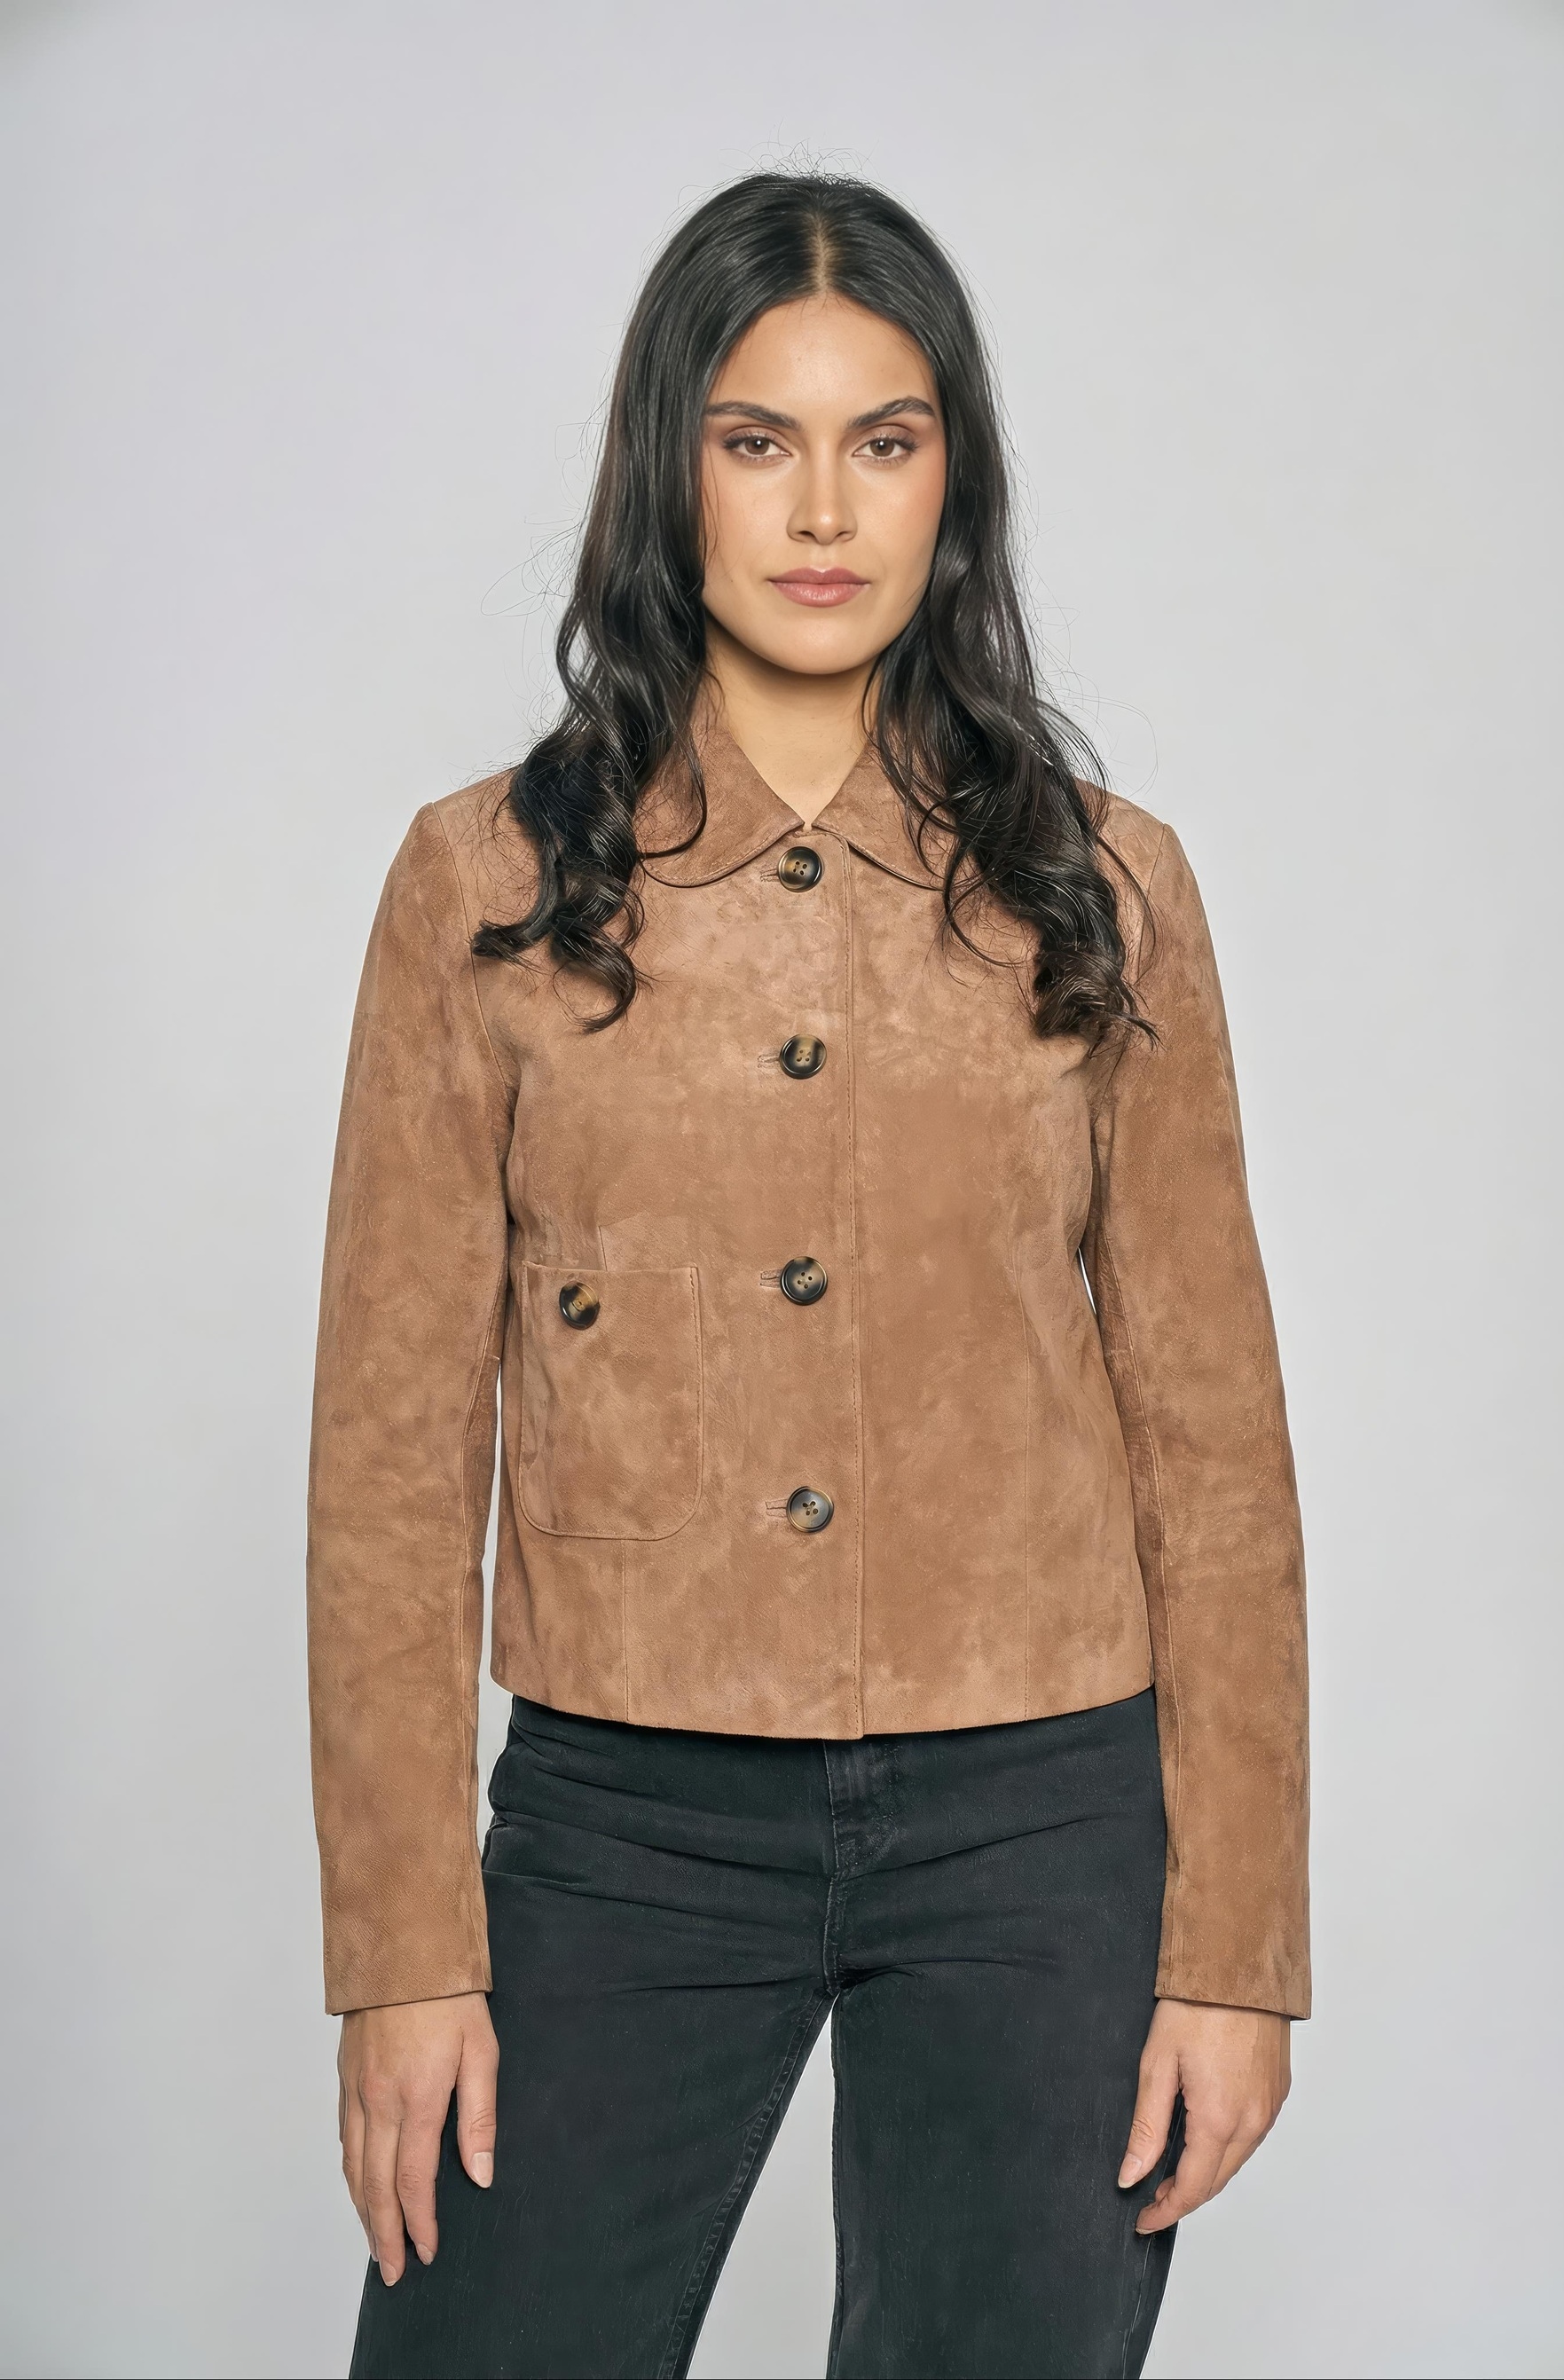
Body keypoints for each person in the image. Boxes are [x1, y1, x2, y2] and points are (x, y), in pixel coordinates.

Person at [307, 170, 1309, 2380]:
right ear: (668, 471)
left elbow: (1215, 1447)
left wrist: (1236, 1944)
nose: (825, 509)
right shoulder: (481, 887)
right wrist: (402, 1949)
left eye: (888, 439)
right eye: (758, 439)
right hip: (625, 1815)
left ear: (957, 483)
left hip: (1043, 1818)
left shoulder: (1105, 890)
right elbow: (390, 1464)